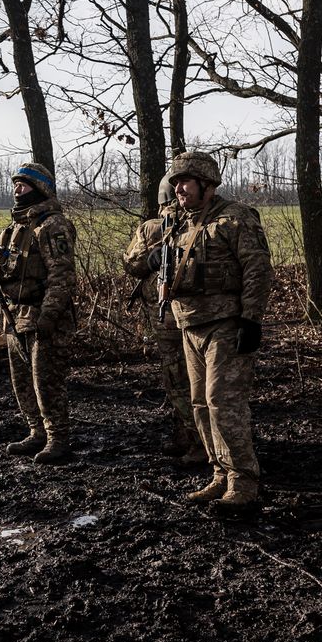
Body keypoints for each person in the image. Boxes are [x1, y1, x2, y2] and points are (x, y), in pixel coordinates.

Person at [160, 151, 274, 515]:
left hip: (225, 324)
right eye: (176, 182)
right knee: (199, 404)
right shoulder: (178, 222)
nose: (179, 188)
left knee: (222, 402)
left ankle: (244, 479)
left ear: (207, 185)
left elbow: (257, 269)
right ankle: (219, 472)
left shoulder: (235, 218)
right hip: (189, 323)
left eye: (186, 182)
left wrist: (251, 320)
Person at [0, 163, 78, 464]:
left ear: (40, 189)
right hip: (15, 314)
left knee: (46, 380)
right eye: (15, 185)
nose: (17, 190)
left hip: (43, 315)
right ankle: (36, 431)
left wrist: (50, 315)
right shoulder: (14, 229)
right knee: (22, 380)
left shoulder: (53, 225)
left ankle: (58, 437)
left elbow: (62, 275)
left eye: (23, 185)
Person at [122, 182, 204, 464]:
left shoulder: (152, 228)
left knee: (178, 379)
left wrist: (147, 259)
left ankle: (195, 439)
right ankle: (189, 435)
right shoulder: (201, 220)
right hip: (191, 313)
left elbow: (131, 264)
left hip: (171, 315)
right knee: (190, 378)